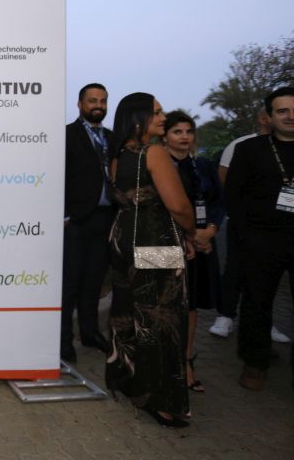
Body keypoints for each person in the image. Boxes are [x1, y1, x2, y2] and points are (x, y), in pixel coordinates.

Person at [105, 93, 196, 428]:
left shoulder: (118, 155)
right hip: (154, 240)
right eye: (156, 112)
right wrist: (193, 233)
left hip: (123, 239)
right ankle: (161, 401)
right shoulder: (153, 152)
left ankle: (128, 379)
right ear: (138, 117)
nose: (163, 117)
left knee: (129, 312)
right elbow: (179, 206)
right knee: (161, 320)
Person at [225, 86, 294, 391]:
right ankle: (254, 362)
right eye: (283, 111)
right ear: (269, 116)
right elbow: (233, 196)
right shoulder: (250, 150)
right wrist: (246, 236)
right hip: (262, 240)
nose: (290, 116)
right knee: (257, 303)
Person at [210, 108, 291, 344]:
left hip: (283, 226)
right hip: (245, 222)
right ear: (264, 119)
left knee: (269, 277)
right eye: (281, 112)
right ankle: (226, 316)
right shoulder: (242, 145)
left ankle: (265, 323)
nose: (288, 117)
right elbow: (224, 180)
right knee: (235, 269)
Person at [162, 111, 224, 393]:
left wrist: (210, 231)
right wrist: (188, 235)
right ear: (165, 136)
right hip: (166, 245)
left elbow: (218, 202)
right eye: (177, 131)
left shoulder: (204, 165)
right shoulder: (158, 166)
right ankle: (162, 365)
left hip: (202, 245)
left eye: (188, 131)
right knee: (164, 304)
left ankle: (185, 362)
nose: (184, 137)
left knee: (191, 304)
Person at [62, 83, 115, 362]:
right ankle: (63, 341)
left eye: (103, 101)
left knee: (94, 281)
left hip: (106, 219)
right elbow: (57, 177)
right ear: (80, 104)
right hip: (76, 221)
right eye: (92, 100)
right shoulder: (66, 135)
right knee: (70, 283)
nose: (98, 105)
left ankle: (90, 332)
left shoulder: (113, 138)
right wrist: (64, 216)